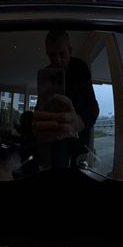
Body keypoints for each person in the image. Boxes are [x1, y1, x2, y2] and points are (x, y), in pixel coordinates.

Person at [33, 30, 99, 167]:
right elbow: (40, 107)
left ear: (70, 50)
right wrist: (38, 121)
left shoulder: (80, 67)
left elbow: (93, 106)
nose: (57, 60)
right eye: (52, 55)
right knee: (59, 170)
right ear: (47, 54)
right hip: (58, 135)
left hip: (80, 135)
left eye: (61, 54)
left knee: (79, 171)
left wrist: (78, 122)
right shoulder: (47, 74)